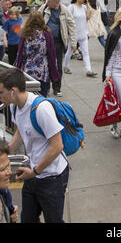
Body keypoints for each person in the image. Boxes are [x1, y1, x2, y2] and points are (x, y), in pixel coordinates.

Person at [0, 68, 69, 223]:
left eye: (1, 92)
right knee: (28, 219)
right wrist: (6, 151)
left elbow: (57, 146)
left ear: (13, 91)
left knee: (53, 220)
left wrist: (35, 171)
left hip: (52, 177)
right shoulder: (14, 106)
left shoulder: (41, 109)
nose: (0, 96)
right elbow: (20, 132)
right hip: (33, 173)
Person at [103, 6, 121, 141]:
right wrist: (107, 74)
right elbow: (110, 55)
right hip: (117, 71)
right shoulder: (114, 34)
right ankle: (114, 122)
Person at [39, 0, 77, 96]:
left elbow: (72, 26)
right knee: (44, 64)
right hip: (44, 41)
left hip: (58, 42)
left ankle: (57, 87)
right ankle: (45, 87)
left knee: (57, 65)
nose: (47, 2)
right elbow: (36, 20)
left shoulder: (64, 10)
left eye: (49, 1)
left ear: (56, 2)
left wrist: (73, 43)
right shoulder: (44, 8)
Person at [16, 12, 60, 97]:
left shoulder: (25, 34)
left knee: (28, 97)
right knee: (42, 97)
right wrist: (53, 71)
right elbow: (51, 53)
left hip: (27, 71)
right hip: (43, 71)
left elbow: (20, 53)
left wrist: (18, 69)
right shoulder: (46, 34)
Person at [63, 0, 97, 78]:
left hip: (83, 33)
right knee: (70, 52)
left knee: (85, 52)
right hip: (74, 34)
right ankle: (66, 66)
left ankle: (88, 70)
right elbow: (67, 20)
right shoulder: (71, 7)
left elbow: (88, 18)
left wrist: (88, 6)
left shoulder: (84, 7)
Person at [0, 144, 18, 223]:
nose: (9, 172)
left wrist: (10, 218)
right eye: (3, 169)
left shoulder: (4, 194)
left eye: (8, 166)